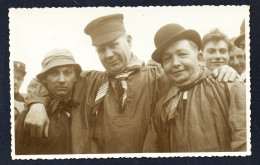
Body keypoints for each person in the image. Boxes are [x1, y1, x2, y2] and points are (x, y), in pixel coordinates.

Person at [23, 14, 239, 154]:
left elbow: (191, 75)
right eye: (101, 50)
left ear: (129, 41)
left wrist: (222, 70)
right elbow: (48, 79)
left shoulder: (160, 76)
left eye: (113, 45)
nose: (108, 55)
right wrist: (37, 103)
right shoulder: (89, 81)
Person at [143, 23, 246, 152]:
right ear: (163, 67)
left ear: (200, 58)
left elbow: (245, 143)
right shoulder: (161, 107)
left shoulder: (229, 85)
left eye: (182, 54)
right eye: (167, 59)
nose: (175, 63)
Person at [15, 48, 82, 154]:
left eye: (67, 73)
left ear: (75, 77)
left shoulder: (86, 109)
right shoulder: (30, 115)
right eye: (54, 74)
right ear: (44, 79)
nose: (61, 80)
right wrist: (37, 104)